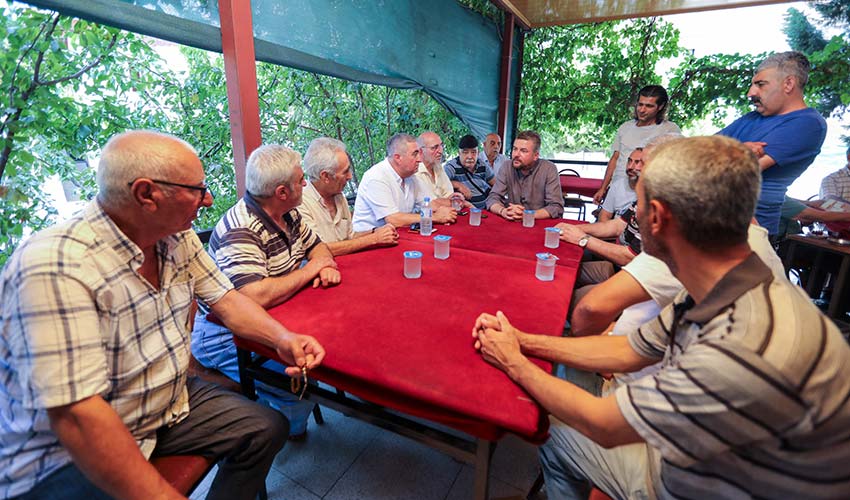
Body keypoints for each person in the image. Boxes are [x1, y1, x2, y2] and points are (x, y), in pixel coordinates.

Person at [473, 135, 850, 499]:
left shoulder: (744, 342)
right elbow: (629, 349)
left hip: (703, 484)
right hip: (713, 447)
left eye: (638, 203)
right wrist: (522, 339)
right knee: (567, 378)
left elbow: (604, 424)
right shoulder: (722, 278)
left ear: (656, 216)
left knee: (552, 432)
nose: (632, 216)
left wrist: (512, 360)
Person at [0, 130, 325, 500]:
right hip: (60, 455)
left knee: (265, 428)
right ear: (146, 194)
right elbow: (77, 416)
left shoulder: (175, 236)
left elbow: (228, 300)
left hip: (163, 405)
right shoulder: (54, 265)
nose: (208, 200)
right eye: (197, 190)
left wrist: (282, 339)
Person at [192, 144, 340, 440]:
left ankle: (278, 404)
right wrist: (311, 270)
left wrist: (323, 264)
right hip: (223, 335)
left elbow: (318, 247)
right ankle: (289, 428)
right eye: (301, 180)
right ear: (282, 192)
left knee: (335, 341)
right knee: (300, 384)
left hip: (280, 315)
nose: (305, 184)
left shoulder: (289, 214)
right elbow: (253, 296)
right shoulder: (241, 228)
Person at [718, 51, 828, 235]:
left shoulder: (808, 124)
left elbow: (734, 172)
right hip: (709, 223)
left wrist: (721, 151)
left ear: (788, 84)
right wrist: (738, 150)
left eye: (760, 84)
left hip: (747, 232)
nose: (750, 93)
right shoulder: (751, 118)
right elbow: (692, 153)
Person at [556, 148, 645, 305]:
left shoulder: (656, 206)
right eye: (630, 161)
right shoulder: (640, 199)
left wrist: (582, 239)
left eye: (639, 162)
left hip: (634, 279)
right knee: (561, 270)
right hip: (618, 268)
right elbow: (615, 226)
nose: (632, 167)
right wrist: (576, 228)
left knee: (569, 299)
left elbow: (630, 257)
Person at [593, 85, 681, 222]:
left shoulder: (670, 129)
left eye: (649, 106)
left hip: (646, 195)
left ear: (661, 106)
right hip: (617, 191)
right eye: (640, 104)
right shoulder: (625, 127)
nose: (642, 109)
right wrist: (603, 188)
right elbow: (615, 159)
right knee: (604, 226)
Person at [298, 137, 399, 255]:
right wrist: (374, 238)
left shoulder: (338, 196)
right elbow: (319, 249)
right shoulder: (300, 203)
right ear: (325, 176)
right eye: (345, 172)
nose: (350, 176)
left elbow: (350, 236)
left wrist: (375, 231)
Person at [353, 133, 457, 231]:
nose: (420, 159)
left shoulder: (411, 176)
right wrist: (434, 217)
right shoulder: (376, 178)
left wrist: (451, 207)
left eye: (419, 153)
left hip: (398, 234)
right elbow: (393, 220)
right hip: (369, 239)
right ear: (398, 158)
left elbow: (430, 203)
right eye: (415, 154)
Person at [485, 130, 564, 220]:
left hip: (539, 222)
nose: (516, 154)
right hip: (513, 221)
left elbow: (556, 207)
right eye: (515, 149)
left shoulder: (549, 169)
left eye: (523, 151)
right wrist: (503, 211)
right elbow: (492, 198)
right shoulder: (507, 166)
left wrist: (527, 215)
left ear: (536, 155)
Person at [444, 134, 496, 209]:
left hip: (487, 209)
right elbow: (440, 183)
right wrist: (458, 185)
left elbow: (496, 184)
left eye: (473, 152)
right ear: (459, 153)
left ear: (478, 153)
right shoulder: (451, 167)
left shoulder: (482, 165)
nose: (470, 156)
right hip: (465, 211)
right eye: (465, 152)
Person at [414, 131, 456, 200]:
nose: (440, 151)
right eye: (434, 148)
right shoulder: (415, 173)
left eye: (441, 145)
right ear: (421, 151)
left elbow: (450, 195)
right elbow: (430, 203)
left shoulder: (438, 167)